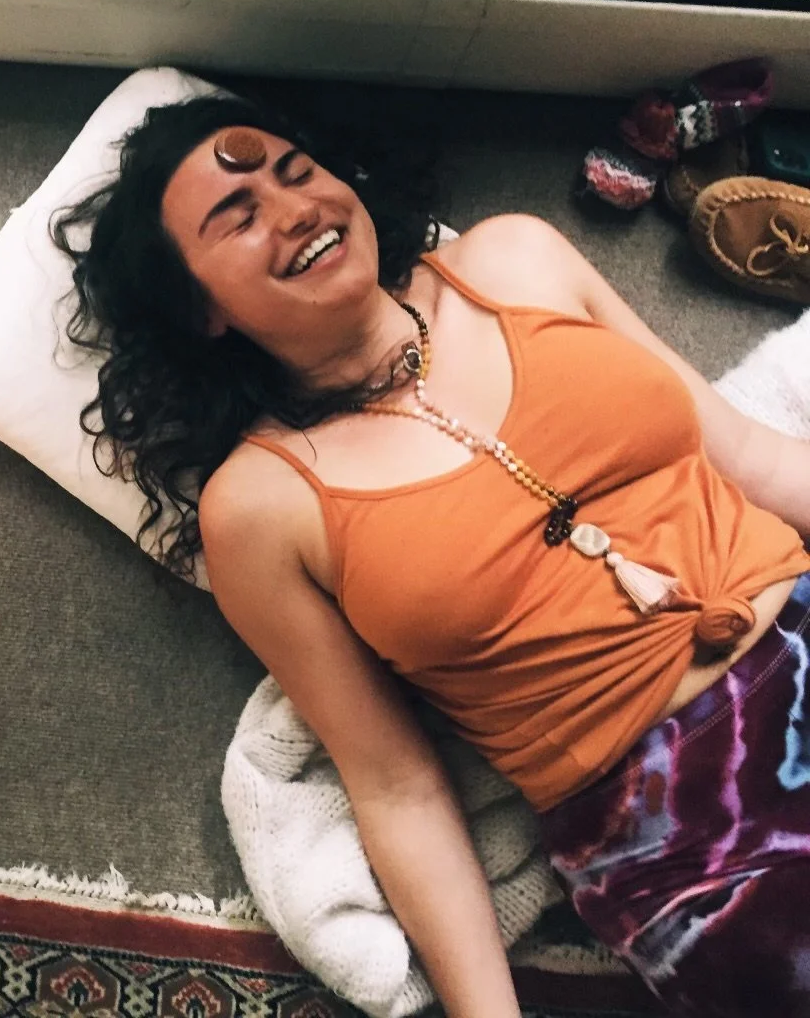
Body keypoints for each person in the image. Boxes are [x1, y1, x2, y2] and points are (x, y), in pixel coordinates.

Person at [52, 93, 810, 1018]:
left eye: (298, 172)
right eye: (237, 218)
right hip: (676, 832)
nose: (294, 210)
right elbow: (397, 784)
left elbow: (752, 456)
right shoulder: (258, 507)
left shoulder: (515, 258)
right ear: (200, 307)